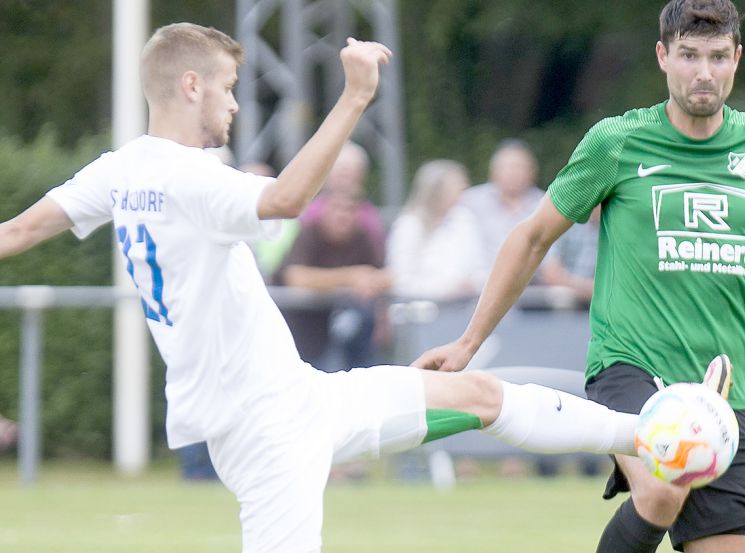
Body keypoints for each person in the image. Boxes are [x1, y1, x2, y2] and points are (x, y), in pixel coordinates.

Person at [0, 23, 643, 553]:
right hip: (266, 429)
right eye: (226, 88)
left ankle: (645, 436)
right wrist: (354, 97)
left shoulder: (122, 169)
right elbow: (286, 199)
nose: (232, 104)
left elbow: (18, 232)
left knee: (479, 396)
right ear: (190, 85)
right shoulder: (189, 176)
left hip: (301, 399)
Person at [413, 2, 745, 551]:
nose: (704, 72)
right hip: (631, 367)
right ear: (663, 57)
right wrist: (469, 341)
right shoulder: (617, 142)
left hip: (723, 390)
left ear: (736, 60)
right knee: (664, 485)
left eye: (718, 57)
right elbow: (531, 237)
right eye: (690, 56)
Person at [274, 187, 391, 372]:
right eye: (337, 208)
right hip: (303, 329)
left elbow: (384, 275)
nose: (343, 215)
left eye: (350, 209)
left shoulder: (362, 237)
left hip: (349, 335)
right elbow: (296, 277)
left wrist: (371, 284)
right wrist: (350, 278)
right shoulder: (310, 234)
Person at [386, 159, 488, 301]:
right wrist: (448, 288)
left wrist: (474, 284)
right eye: (456, 185)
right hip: (421, 310)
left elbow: (481, 266)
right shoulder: (408, 226)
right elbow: (401, 281)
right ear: (437, 190)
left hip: (466, 306)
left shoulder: (465, 219)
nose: (464, 188)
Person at [459, 139, 544, 267]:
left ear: (532, 172)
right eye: (507, 167)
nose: (513, 173)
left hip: (533, 282)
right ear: (493, 170)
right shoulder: (471, 200)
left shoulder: (544, 203)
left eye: (519, 167)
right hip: (478, 281)